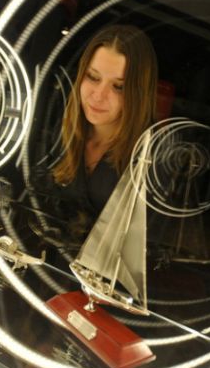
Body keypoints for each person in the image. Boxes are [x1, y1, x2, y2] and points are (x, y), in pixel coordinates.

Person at [51, 24, 159, 228]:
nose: (99, 95)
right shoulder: (63, 131)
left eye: (118, 87)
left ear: (139, 94)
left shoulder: (151, 158)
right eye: (93, 77)